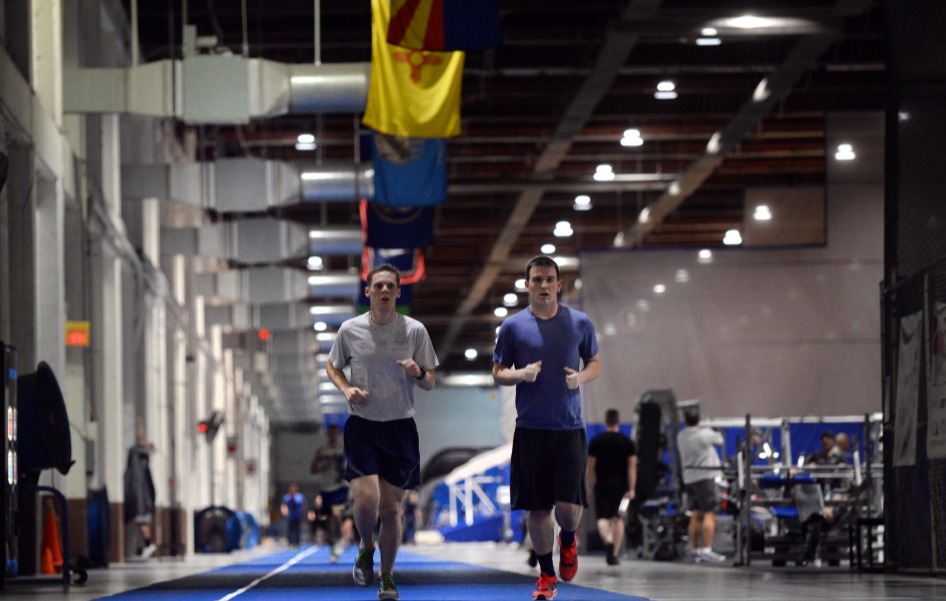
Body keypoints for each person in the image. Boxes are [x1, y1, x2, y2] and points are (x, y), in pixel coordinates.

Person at [327, 263, 438, 601]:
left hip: (400, 429)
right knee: (366, 499)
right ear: (369, 292)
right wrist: (346, 388)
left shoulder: (415, 331)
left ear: (398, 292)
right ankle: (365, 545)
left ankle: (386, 576)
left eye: (391, 286)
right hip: (363, 427)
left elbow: (430, 381)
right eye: (379, 286)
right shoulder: (350, 330)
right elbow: (332, 366)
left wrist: (417, 370)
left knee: (391, 510)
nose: (385, 291)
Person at [493, 255, 601, 601]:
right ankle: (546, 574)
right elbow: (497, 371)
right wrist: (520, 374)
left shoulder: (580, 323)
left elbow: (595, 362)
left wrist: (581, 377)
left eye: (548, 279)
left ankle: (568, 541)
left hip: (569, 429)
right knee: (538, 509)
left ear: (558, 285)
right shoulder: (512, 328)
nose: (543, 285)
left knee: (568, 507)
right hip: (530, 430)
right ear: (527, 285)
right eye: (536, 279)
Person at [587, 408, 637, 566]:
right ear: (618, 422)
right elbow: (631, 467)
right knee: (618, 518)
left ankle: (608, 541)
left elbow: (591, 467)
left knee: (602, 518)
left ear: (605, 422)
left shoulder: (596, 441)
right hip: (621, 486)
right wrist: (632, 488)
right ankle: (614, 553)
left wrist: (589, 485)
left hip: (602, 484)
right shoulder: (627, 442)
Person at [677, 406, 727, 563]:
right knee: (709, 512)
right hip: (705, 478)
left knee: (695, 513)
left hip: (690, 479)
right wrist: (711, 428)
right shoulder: (704, 434)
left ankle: (696, 550)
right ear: (699, 420)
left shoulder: (681, 436)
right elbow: (720, 439)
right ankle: (706, 550)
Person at [310, 423, 350, 562]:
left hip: (340, 487)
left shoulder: (344, 450)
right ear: (327, 435)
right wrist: (324, 466)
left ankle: (338, 540)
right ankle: (333, 542)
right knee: (328, 518)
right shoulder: (322, 451)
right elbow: (313, 469)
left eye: (335, 433)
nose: (333, 436)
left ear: (338, 435)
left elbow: (352, 466)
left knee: (336, 513)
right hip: (326, 488)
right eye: (330, 433)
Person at [124, 417, 157, 560]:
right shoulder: (138, 460)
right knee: (141, 522)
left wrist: (140, 426)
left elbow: (140, 440)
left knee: (142, 522)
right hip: (141, 498)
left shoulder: (140, 456)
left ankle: (148, 545)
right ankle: (143, 546)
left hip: (142, 499)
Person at [280, 483, 306, 549]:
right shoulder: (286, 497)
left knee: (297, 529)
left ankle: (296, 542)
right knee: (290, 530)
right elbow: (284, 505)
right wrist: (284, 511)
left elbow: (303, 505)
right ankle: (291, 542)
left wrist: (304, 513)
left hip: (297, 515)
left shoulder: (299, 497)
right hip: (290, 516)